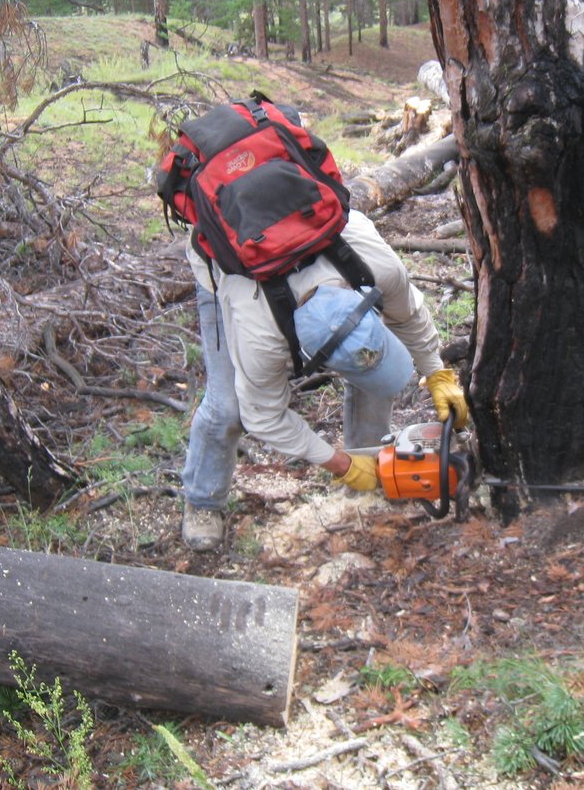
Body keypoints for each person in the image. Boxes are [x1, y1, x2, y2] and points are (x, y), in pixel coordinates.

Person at [180, 207, 468, 551]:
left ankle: (376, 469)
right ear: (305, 357)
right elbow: (263, 416)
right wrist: (340, 464)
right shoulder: (261, 337)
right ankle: (203, 500)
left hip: (306, 232)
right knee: (228, 406)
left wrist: (438, 374)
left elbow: (409, 313)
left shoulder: (372, 264)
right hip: (226, 269)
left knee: (369, 366)